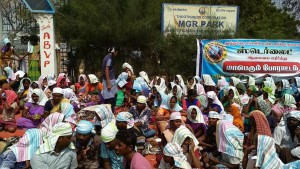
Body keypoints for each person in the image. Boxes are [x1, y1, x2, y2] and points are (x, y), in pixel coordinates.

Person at [0, 113, 65, 169]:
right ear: (55, 122)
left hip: (19, 156)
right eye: (62, 122)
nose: (64, 124)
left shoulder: (52, 134)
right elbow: (22, 144)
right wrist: (28, 157)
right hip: (15, 154)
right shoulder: (42, 133)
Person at [102, 47, 118, 113]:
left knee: (112, 96)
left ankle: (110, 111)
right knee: (110, 99)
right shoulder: (109, 59)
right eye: (116, 52)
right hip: (109, 80)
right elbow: (106, 71)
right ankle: (110, 112)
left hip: (108, 80)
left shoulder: (106, 57)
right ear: (114, 52)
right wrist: (108, 84)